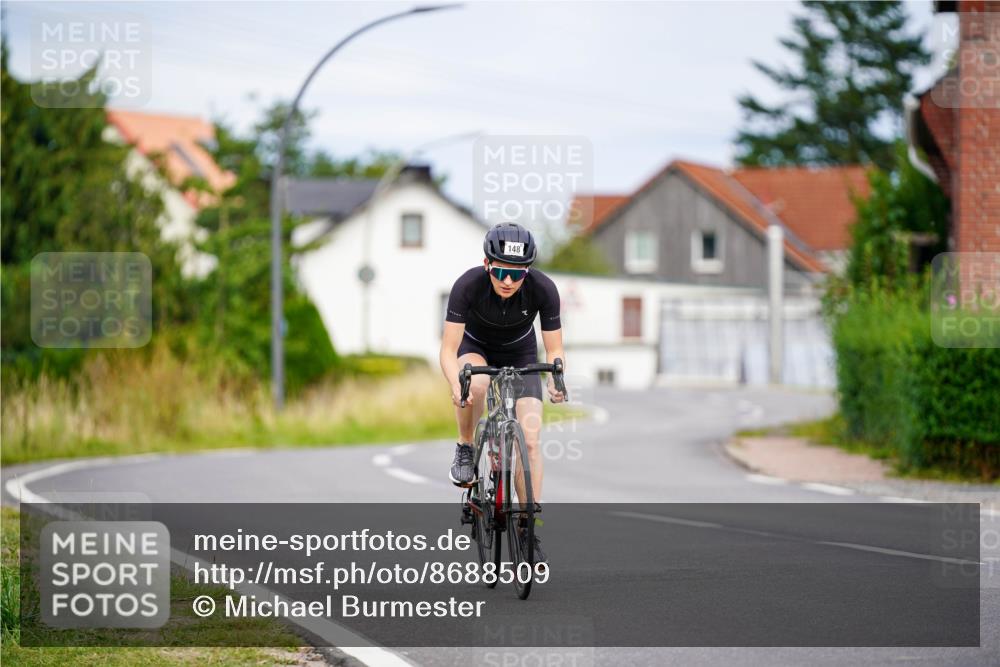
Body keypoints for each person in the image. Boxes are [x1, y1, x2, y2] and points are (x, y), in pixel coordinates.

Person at [439, 222, 565, 563]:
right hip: (474, 348)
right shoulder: (467, 286)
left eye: (516, 274)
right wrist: (456, 385)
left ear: (528, 271)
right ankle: (466, 446)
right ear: (487, 265)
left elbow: (554, 350)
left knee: (532, 437)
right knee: (476, 383)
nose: (507, 281)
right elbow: (448, 350)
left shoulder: (544, 289)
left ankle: (527, 527)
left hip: (520, 353)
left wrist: (557, 378)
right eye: (500, 272)